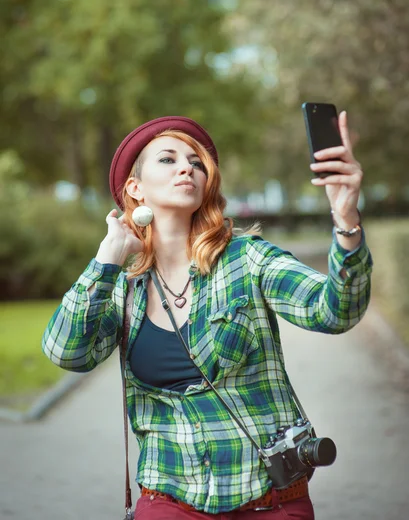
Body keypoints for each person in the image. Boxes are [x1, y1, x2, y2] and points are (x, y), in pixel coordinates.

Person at [42, 113, 372, 520]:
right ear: (135, 188)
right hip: (168, 498)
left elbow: (334, 311)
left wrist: (346, 222)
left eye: (196, 162)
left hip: (269, 498)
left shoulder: (248, 259)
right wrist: (106, 259)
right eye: (168, 159)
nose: (187, 167)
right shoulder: (123, 288)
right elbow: (66, 353)